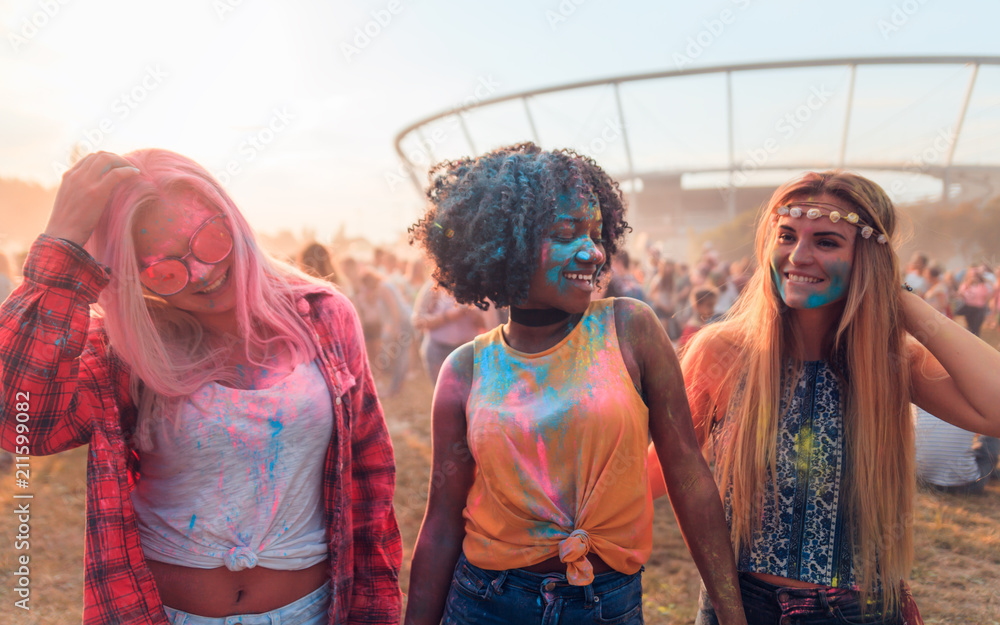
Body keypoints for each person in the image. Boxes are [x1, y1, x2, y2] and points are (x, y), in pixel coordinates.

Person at [0, 150, 402, 625]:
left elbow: (370, 473)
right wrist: (63, 242)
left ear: (232, 219)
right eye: (166, 270)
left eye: (210, 240)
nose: (203, 273)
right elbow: (19, 422)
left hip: (309, 611)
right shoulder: (125, 347)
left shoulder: (323, 317)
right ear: (134, 275)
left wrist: (375, 612)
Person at [403, 143, 747, 625]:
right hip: (486, 602)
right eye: (567, 234)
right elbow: (441, 521)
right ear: (505, 245)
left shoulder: (630, 330)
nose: (594, 252)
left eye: (595, 232)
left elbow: (688, 475)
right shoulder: (466, 370)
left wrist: (732, 614)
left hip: (605, 603)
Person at [650, 170, 1000, 625]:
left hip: (860, 610)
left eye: (827, 242)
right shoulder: (724, 352)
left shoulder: (890, 362)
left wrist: (900, 297)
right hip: (739, 606)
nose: (799, 256)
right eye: (787, 235)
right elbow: (658, 471)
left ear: (868, 260)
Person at [914, 405, 999, 494]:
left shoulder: (921, 402)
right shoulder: (971, 402)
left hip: (923, 481)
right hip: (967, 486)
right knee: (992, 432)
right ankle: (989, 472)